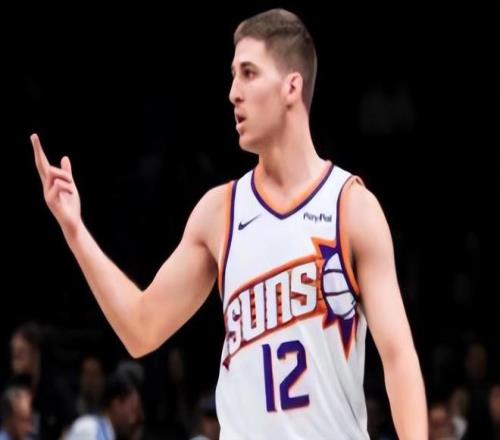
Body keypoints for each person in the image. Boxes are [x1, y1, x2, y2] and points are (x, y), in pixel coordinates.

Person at [31, 8, 427, 439]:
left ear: (291, 86)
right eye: (234, 75)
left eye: (249, 73)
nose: (233, 93)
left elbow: (398, 358)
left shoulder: (351, 207)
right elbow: (141, 329)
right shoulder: (219, 212)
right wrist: (75, 230)